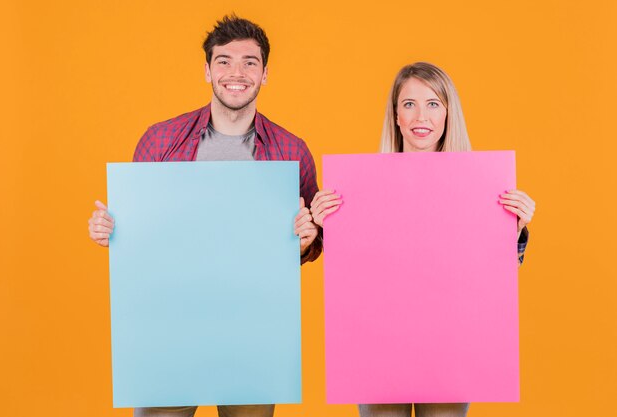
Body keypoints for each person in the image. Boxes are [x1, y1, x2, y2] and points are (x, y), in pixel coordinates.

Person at [87, 15, 320, 417]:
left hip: (253, 329)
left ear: (265, 74)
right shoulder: (160, 140)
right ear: (207, 70)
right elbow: (140, 233)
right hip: (169, 328)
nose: (236, 73)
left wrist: (304, 240)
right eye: (224, 61)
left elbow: (312, 238)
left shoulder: (290, 150)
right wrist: (112, 230)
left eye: (250, 62)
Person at [310, 62, 535, 417]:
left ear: (448, 114)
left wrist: (515, 228)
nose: (421, 116)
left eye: (433, 104)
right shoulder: (360, 188)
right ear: (396, 115)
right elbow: (356, 273)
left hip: (450, 344)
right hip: (378, 343)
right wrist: (325, 224)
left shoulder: (481, 187)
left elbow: (490, 277)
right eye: (409, 104)